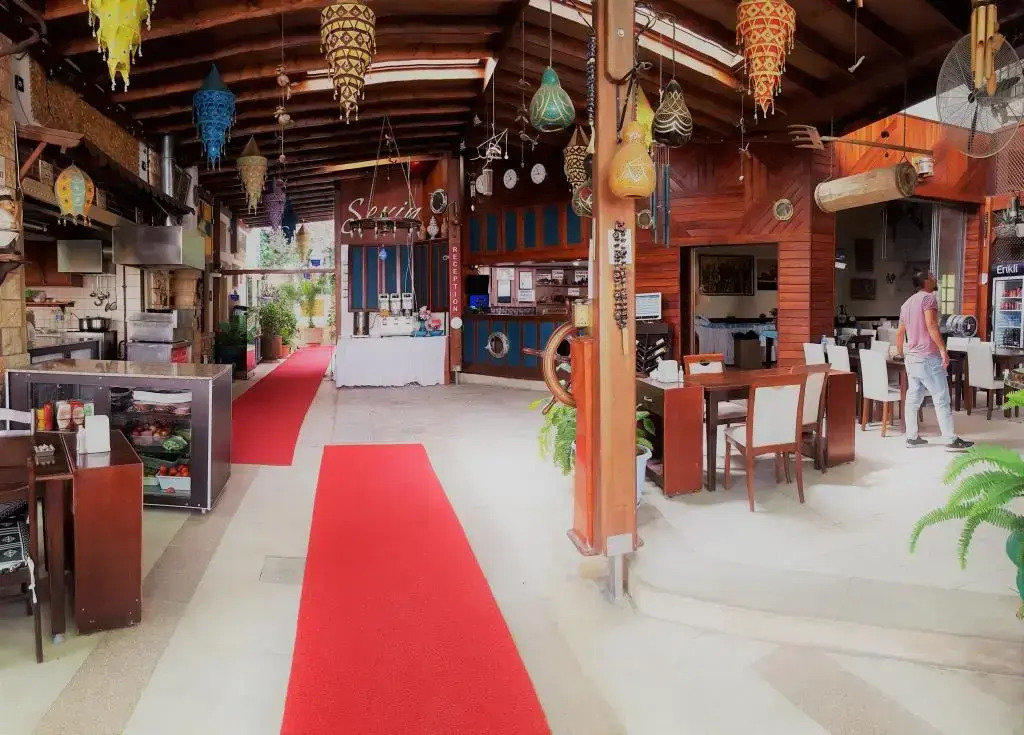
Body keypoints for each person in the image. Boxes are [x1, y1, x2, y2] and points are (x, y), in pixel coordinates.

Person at [894, 272, 973, 452]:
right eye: (932, 277)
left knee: (913, 399)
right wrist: (943, 350)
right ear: (926, 282)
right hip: (928, 357)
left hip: (912, 358)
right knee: (941, 398)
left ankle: (911, 437)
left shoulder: (906, 304)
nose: (935, 279)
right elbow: (931, 324)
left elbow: (899, 333)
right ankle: (950, 440)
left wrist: (901, 353)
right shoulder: (929, 298)